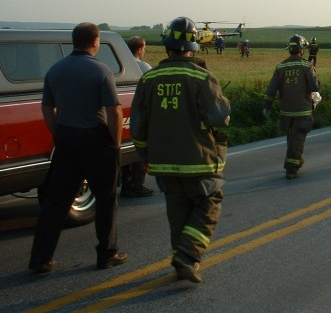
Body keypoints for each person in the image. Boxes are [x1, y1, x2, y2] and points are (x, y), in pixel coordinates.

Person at [131, 17, 231, 283]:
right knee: (209, 204)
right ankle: (188, 255)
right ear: (192, 47)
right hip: (197, 160)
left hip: (162, 162)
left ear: (168, 46)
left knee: (177, 211)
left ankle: (181, 261)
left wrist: (144, 157)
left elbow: (138, 127)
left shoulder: (149, 79)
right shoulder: (202, 77)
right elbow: (219, 118)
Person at [29, 22, 128, 274]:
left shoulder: (55, 70)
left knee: (56, 201)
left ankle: (41, 258)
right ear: (95, 41)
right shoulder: (101, 71)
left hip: (66, 139)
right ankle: (107, 253)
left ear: (74, 41)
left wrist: (58, 134)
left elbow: (46, 110)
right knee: (106, 199)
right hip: (96, 140)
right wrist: (115, 143)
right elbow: (114, 110)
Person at [263, 34, 321, 179]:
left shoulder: (281, 67)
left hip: (286, 111)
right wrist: (317, 82)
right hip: (303, 110)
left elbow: (271, 90)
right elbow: (314, 87)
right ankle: (292, 168)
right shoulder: (307, 66)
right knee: (298, 138)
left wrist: (267, 107)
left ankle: (297, 158)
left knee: (292, 138)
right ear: (302, 50)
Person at [120, 36, 154, 198]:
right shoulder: (143, 66)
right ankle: (136, 184)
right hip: (141, 110)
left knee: (126, 145)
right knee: (140, 146)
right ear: (139, 49)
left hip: (124, 109)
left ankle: (126, 182)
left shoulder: (121, 64)